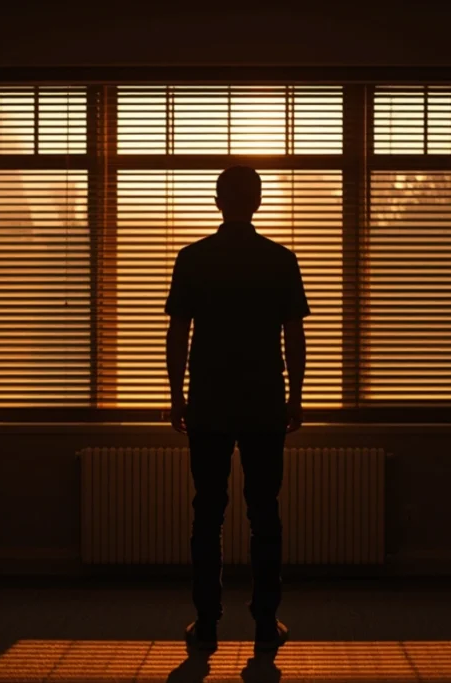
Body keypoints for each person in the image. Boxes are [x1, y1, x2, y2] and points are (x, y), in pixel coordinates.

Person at [164, 166, 309, 653]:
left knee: (208, 514)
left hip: (208, 403)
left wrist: (176, 395)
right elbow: (294, 335)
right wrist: (296, 395)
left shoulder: (192, 259)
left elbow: (178, 334)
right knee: (264, 514)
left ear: (217, 200)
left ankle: (207, 622)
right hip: (264, 402)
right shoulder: (281, 260)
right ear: (259, 202)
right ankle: (266, 621)